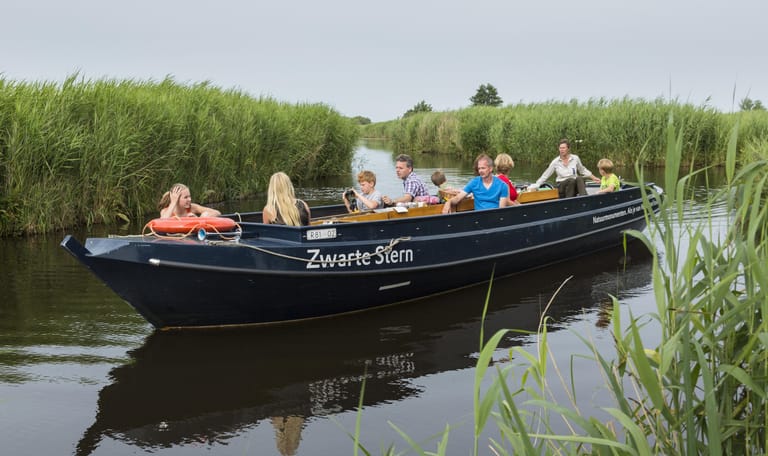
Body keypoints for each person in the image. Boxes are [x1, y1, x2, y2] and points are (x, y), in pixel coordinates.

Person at [527, 139, 600, 198]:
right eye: (560, 148)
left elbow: (582, 170)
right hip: (562, 187)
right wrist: (535, 186)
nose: (561, 150)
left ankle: (584, 198)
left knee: (579, 178)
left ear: (568, 149)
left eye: (563, 148)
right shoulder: (555, 162)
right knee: (571, 180)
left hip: (573, 185)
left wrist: (593, 177)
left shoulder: (575, 158)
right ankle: (568, 201)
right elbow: (545, 175)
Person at [442, 154, 510, 213]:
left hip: (495, 218)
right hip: (479, 218)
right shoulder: (474, 183)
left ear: (491, 168)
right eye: (479, 168)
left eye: (483, 168)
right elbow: (458, 198)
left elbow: (501, 211)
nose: (480, 171)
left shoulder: (502, 185)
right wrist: (448, 202)